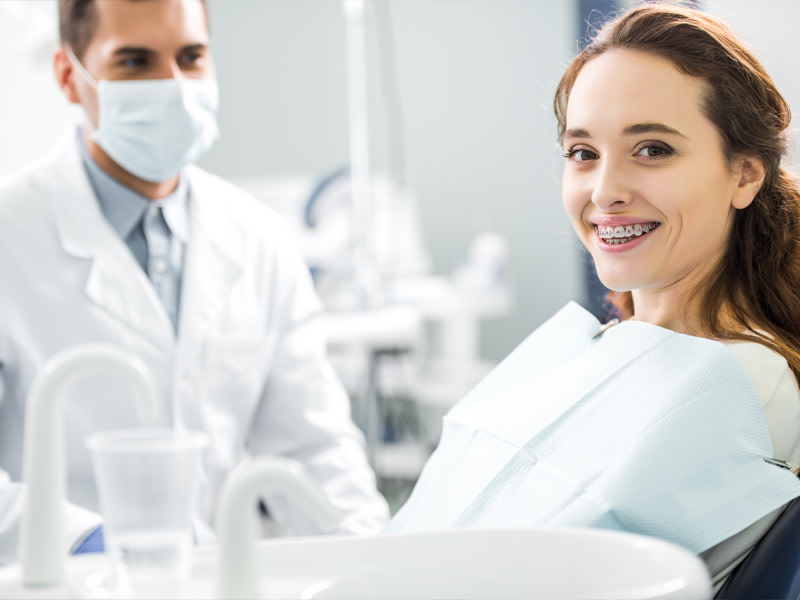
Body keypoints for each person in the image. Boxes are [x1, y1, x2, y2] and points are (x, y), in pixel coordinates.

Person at [386, 2, 800, 592]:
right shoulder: (603, 349)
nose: (605, 191)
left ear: (745, 174)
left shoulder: (738, 383)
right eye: (583, 153)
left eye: (652, 149)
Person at [0, 0, 389, 565]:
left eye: (191, 57)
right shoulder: (11, 235)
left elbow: (312, 448)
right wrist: (86, 543)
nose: (173, 87)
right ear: (68, 76)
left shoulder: (258, 238)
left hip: (207, 580)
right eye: (134, 62)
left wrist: (374, 565)